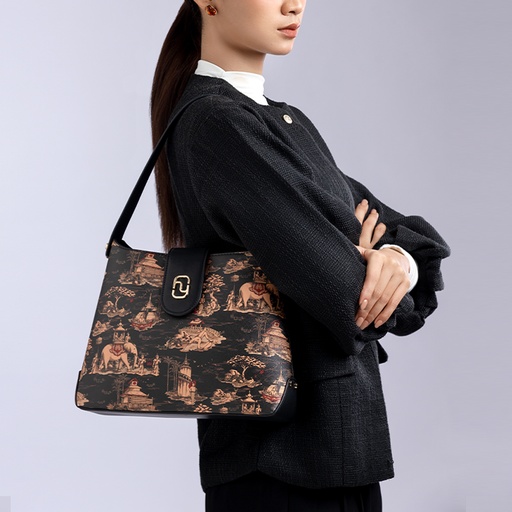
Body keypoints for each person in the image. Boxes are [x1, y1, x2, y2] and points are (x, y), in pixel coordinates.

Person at [150, 1, 450, 510]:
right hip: (283, 459)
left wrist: (398, 258)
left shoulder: (279, 120)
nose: (294, 5)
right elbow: (347, 292)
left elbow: (415, 238)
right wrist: (363, 260)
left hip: (327, 447)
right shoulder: (218, 121)